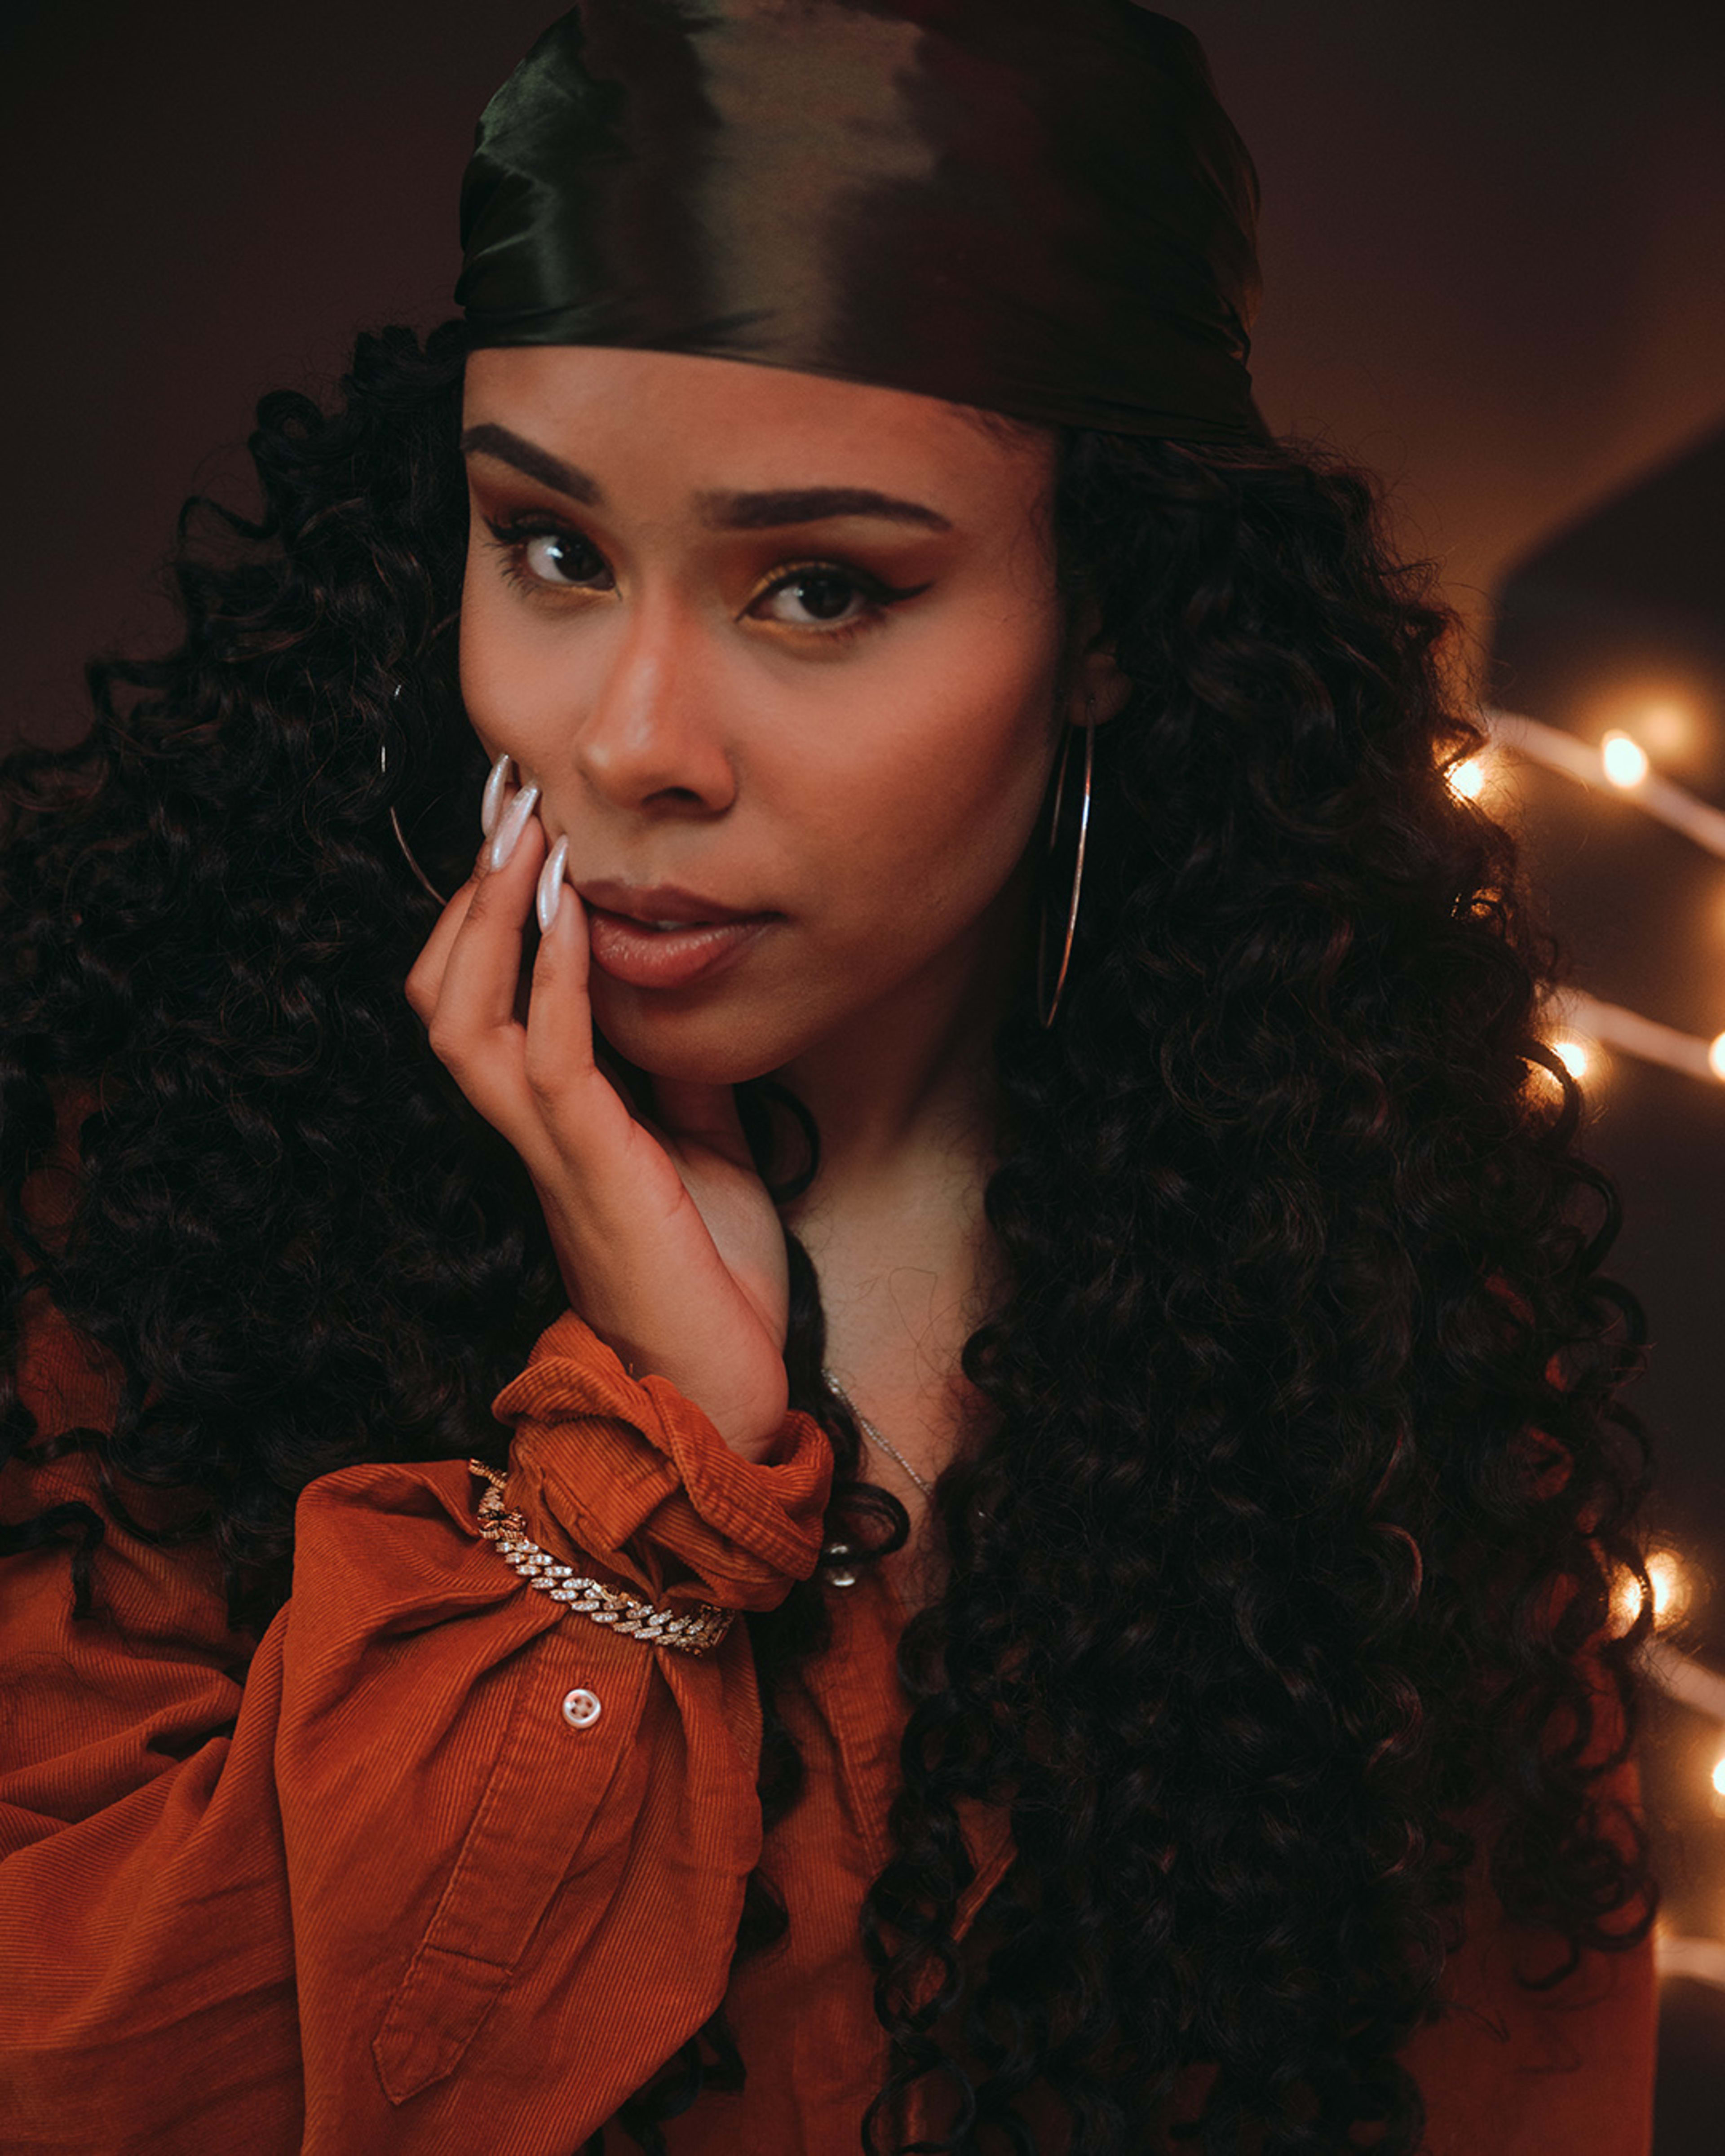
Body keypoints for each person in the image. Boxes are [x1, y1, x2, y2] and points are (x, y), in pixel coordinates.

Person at [0, 4, 1658, 2152]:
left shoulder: (1338, 1300)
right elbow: (78, 2075)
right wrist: (636, 1489)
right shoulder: (161, 1198)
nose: (630, 742)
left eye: (819, 588)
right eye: (555, 551)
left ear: (1105, 629)